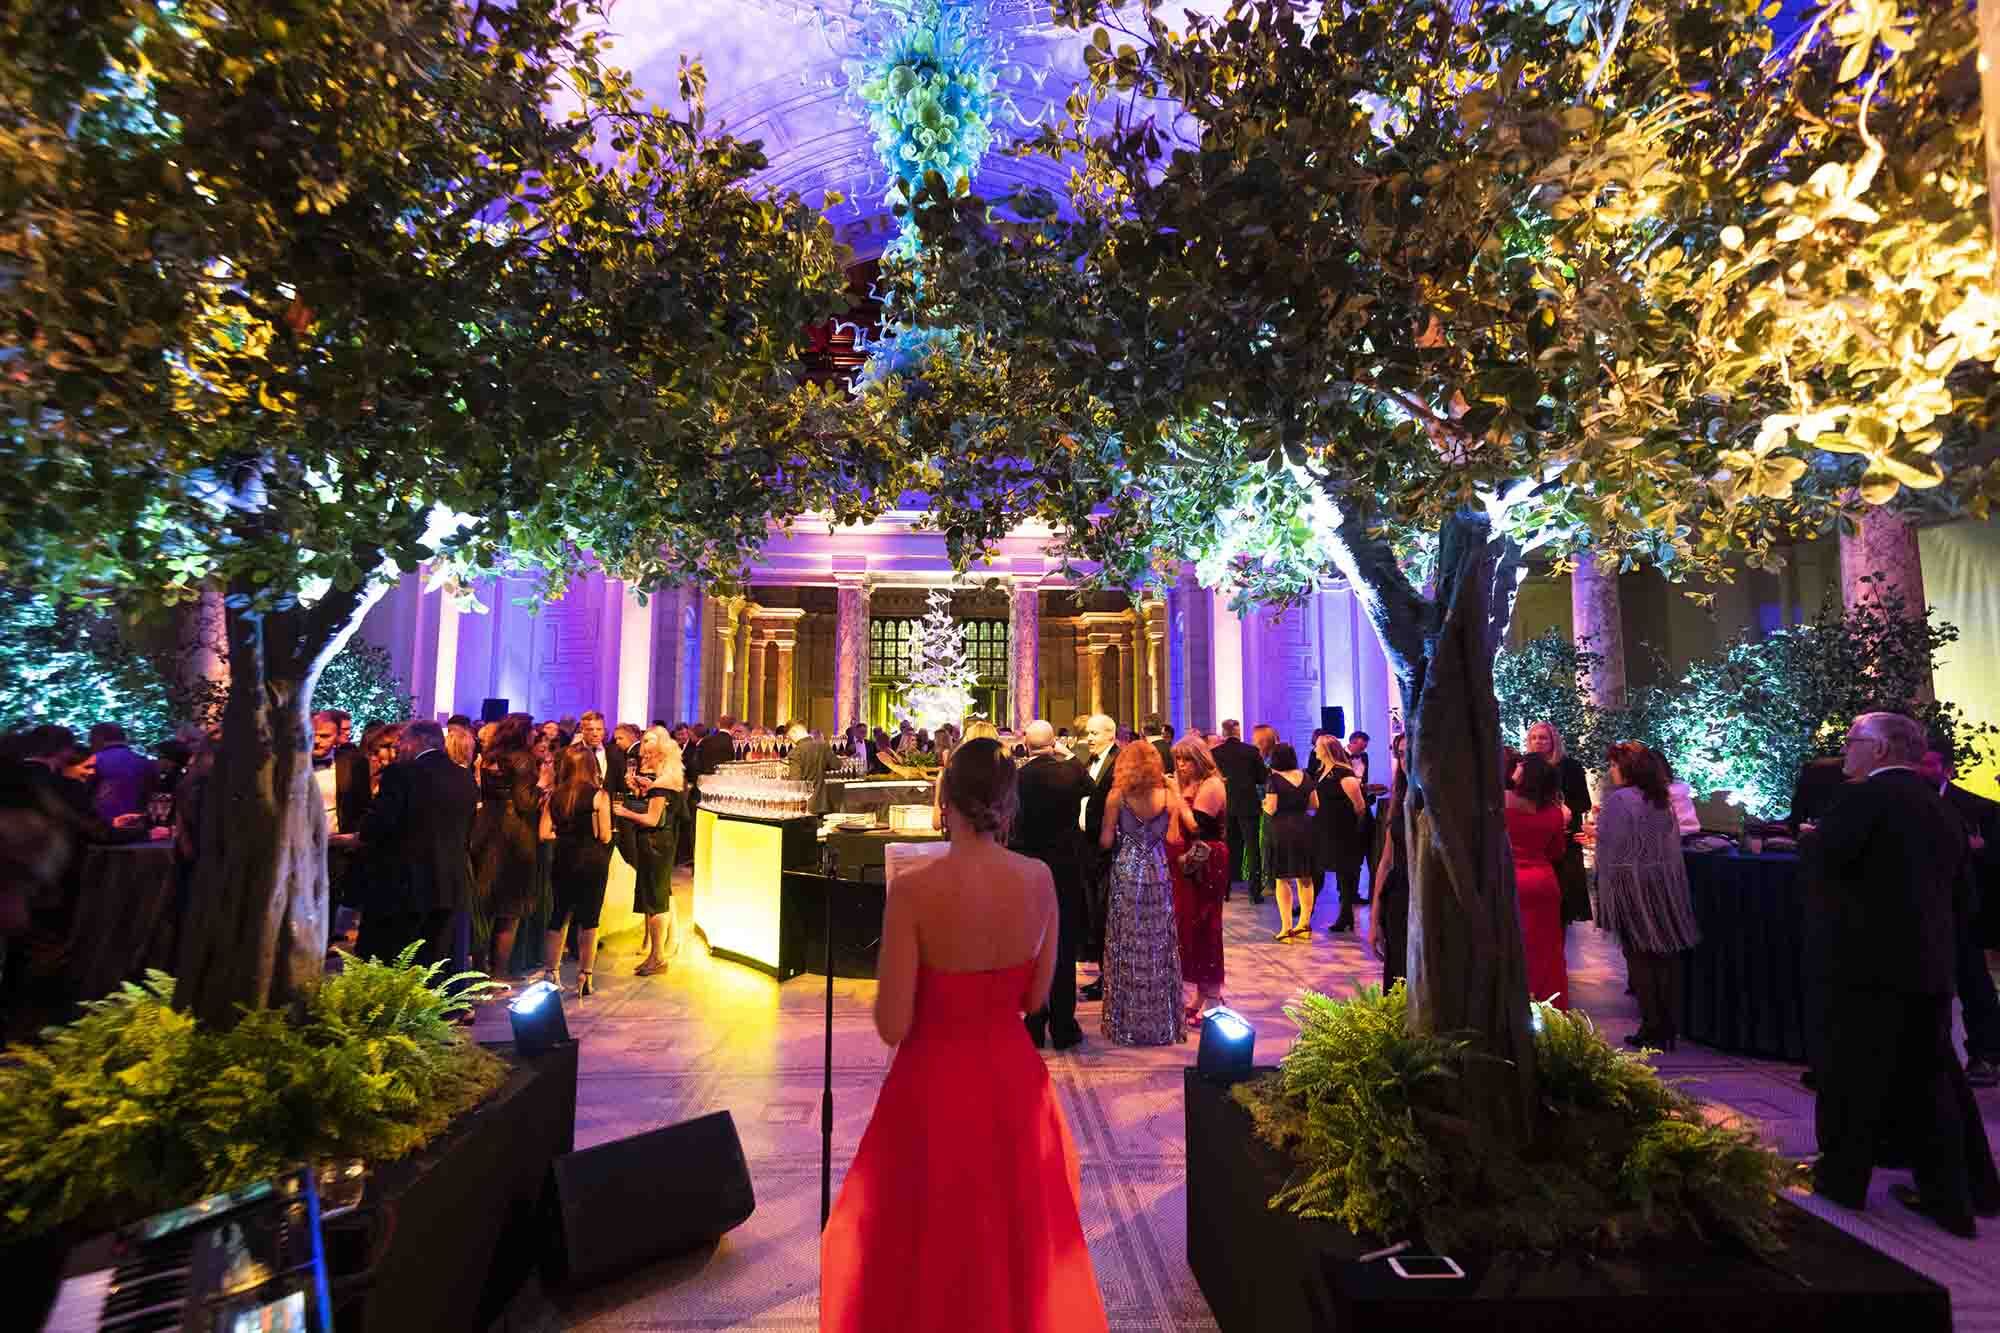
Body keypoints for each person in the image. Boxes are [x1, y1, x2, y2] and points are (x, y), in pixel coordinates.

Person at [820, 739, 1107, 1332]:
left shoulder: (914, 889)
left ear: (944, 802)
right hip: (1011, 1083)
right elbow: (1034, 999)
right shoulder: (1039, 879)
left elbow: (892, 1023)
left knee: (926, 1246)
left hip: (931, 1083)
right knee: (1012, 1245)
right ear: (1009, 806)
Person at [1812, 713, 2000, 1237]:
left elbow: (1826, 874)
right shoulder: (1941, 807)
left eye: (1852, 741)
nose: (1845, 750)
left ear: (1879, 749)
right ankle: (1957, 1196)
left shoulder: (1861, 801)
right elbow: (1964, 897)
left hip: (1865, 967)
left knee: (1854, 1075)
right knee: (1932, 1080)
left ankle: (1842, 1180)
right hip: (1930, 964)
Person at [1594, 742, 1699, 1049]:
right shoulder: (1660, 798)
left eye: (1614, 765)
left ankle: (1651, 1026)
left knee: (1639, 957)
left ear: (1627, 768)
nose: (1611, 771)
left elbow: (1612, 848)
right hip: (1662, 887)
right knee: (1664, 957)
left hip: (1631, 887)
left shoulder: (1620, 799)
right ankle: (1668, 1026)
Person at [355, 721, 478, 968]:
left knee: (398, 956)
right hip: (450, 882)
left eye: (402, 741)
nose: (399, 747)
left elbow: (378, 825)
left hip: (405, 884)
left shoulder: (400, 774)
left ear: (418, 741)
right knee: (436, 959)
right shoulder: (464, 776)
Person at [1919, 747, 2000, 1087]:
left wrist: (1977, 849)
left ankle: (1986, 1053)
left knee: (1972, 981)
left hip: (1964, 910)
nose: (1923, 769)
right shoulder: (1909, 801)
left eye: (1930, 763)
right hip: (1923, 907)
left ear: (1947, 769)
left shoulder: (1979, 808)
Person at [1098, 741, 1184, 1046]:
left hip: (1127, 870)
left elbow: (1106, 841)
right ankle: (1162, 1022)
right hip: (1158, 870)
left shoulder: (1117, 796)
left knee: (1128, 942)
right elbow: (1173, 838)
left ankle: (1126, 1023)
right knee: (1158, 942)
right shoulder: (1167, 796)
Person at [1014, 721, 1092, 1051]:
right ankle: (1063, 1026)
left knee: (1033, 947)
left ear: (1025, 743)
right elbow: (1091, 786)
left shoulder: (1017, 777)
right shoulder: (1070, 773)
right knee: (1063, 945)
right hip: (1065, 870)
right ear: (1054, 744)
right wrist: (1068, 755)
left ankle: (1034, 1022)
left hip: (1029, 869)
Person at [472, 714, 542, 980]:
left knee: (484, 906)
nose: (535, 735)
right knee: (510, 909)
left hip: (486, 829)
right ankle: (500, 973)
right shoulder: (523, 759)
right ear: (522, 733)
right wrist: (543, 787)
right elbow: (525, 802)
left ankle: (479, 971)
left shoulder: (489, 757)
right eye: (532, 730)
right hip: (514, 837)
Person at [540, 746, 612, 998]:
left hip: (563, 858)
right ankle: (585, 976)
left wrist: (564, 835)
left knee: (559, 916)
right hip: (592, 861)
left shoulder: (554, 796)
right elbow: (605, 835)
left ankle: (551, 973)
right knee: (589, 920)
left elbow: (543, 833)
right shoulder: (599, 796)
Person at [614, 726, 686, 976]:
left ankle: (658, 957)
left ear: (660, 754)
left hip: (655, 844)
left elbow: (652, 819)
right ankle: (656, 955)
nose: (644, 757)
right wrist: (641, 790)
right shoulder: (667, 780)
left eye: (647, 753)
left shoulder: (662, 785)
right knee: (655, 899)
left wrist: (624, 811)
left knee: (656, 902)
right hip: (658, 843)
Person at [1168, 736, 1229, 1026]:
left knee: (1207, 924)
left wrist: (1176, 796)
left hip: (1207, 859)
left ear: (1200, 760)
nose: (1181, 765)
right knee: (1190, 925)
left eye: (1187, 759)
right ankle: (1201, 994)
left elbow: (1197, 827)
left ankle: (1214, 996)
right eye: (1178, 760)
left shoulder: (1212, 785)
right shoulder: (1190, 784)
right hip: (1189, 860)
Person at [1506, 754, 1571, 1009]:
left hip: (1511, 881)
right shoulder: (1555, 812)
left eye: (1520, 765)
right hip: (1543, 882)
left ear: (1526, 773)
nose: (1515, 767)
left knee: (1513, 946)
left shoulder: (1501, 802)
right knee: (1546, 950)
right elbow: (1557, 851)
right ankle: (1548, 1008)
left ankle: (1514, 1007)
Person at [1526, 721, 1593, 924]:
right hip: (1536, 836)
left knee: (1566, 887)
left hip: (1565, 835)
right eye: (1534, 738)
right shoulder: (1524, 766)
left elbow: (1584, 802)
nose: (1538, 742)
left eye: (1543, 738)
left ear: (1553, 741)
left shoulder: (1570, 766)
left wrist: (1562, 811)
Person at [1076, 714, 1120, 1002]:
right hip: (1087, 847)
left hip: (1106, 849)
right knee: (1093, 912)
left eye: (1095, 733)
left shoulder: (1117, 761)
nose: (1089, 738)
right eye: (1088, 733)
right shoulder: (1088, 761)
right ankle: (1103, 976)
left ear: (1110, 735)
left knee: (1105, 914)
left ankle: (1110, 979)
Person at [1311, 735, 1367, 934]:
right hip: (1323, 828)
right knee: (1318, 870)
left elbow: (1360, 807)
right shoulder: (1321, 772)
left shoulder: (1344, 774)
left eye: (1318, 746)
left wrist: (1351, 827)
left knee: (1344, 873)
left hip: (1341, 830)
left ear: (1327, 750)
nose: (1315, 749)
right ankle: (1308, 909)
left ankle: (1345, 915)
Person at [1367, 734, 1411, 988]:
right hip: (1398, 897)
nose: (1405, 760)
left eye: (1411, 752)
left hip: (1432, 899)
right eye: (1401, 754)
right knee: (1398, 980)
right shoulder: (1399, 800)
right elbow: (1385, 862)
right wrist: (1374, 919)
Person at [1262, 742, 1319, 940]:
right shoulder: (1306, 776)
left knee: (1282, 878)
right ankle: (1304, 925)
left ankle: (1286, 929)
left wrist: (1263, 804)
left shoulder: (1273, 779)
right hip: (1305, 828)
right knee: (1306, 877)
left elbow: (1271, 808)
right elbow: (1314, 804)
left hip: (1282, 830)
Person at [1211, 721, 1266, 903]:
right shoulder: (1251, 751)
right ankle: (1255, 893)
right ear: (1238, 731)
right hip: (1248, 805)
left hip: (1225, 805)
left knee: (1227, 848)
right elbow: (1262, 778)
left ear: (1223, 732)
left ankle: (1225, 890)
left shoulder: (1214, 753)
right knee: (1252, 849)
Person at [85, 723, 152, 824]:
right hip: (136, 823)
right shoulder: (145, 762)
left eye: (90, 740)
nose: (90, 745)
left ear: (99, 739)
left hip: (103, 824)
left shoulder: (93, 761)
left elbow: (84, 795)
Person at [785, 721, 835, 814]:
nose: (791, 740)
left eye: (790, 737)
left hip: (806, 806)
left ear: (794, 732)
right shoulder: (823, 746)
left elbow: (794, 782)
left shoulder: (796, 752)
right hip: (823, 804)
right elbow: (837, 765)